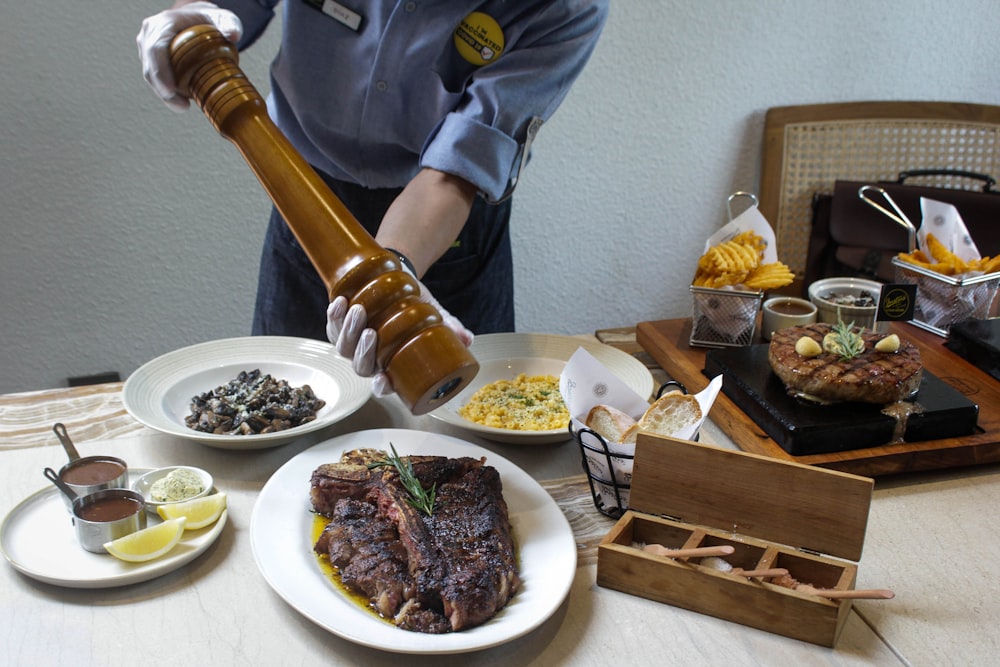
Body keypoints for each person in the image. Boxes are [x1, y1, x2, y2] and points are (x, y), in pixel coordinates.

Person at [138, 0, 608, 395]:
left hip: (443, 225)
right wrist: (190, 16)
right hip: (307, 199)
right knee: (277, 413)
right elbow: (219, 14)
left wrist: (394, 273)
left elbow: (457, 169)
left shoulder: (566, 5)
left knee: (459, 435)